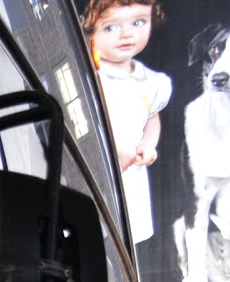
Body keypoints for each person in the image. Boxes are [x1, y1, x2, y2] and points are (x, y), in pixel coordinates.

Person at [84, 0, 170, 244]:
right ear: (92, 31)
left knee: (125, 233)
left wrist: (148, 144)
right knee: (93, 224)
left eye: (138, 22)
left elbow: (152, 117)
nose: (126, 34)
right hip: (97, 165)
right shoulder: (92, 77)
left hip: (131, 171)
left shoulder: (152, 82)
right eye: (111, 27)